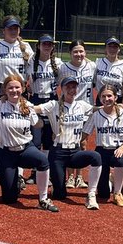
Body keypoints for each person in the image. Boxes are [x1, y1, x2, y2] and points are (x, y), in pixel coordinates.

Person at [34, 77, 103, 209]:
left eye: (74, 87)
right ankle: (57, 186)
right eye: (68, 87)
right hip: (57, 153)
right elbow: (35, 108)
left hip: (74, 152)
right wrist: (17, 102)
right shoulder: (53, 105)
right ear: (62, 89)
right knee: (60, 195)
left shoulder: (82, 105)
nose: (71, 90)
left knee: (96, 157)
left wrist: (117, 105)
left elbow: (97, 109)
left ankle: (91, 194)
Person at [0, 74, 53, 210]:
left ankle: (43, 198)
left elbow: (36, 123)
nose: (14, 90)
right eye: (10, 88)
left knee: (42, 160)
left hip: (25, 149)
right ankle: (16, 181)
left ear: (23, 89)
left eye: (17, 87)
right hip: (6, 152)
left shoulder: (28, 105)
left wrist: (52, 122)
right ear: (5, 90)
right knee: (9, 199)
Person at [85, 84, 123, 207]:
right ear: (99, 98)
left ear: (115, 97)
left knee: (119, 161)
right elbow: (85, 133)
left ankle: (118, 193)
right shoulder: (96, 115)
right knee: (103, 194)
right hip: (101, 150)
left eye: (109, 96)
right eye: (103, 96)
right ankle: (108, 180)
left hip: (117, 149)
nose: (106, 99)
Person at [0, 17, 33, 100]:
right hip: (0, 90)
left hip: (20, 89)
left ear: (19, 30)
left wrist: (31, 83)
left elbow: (31, 68)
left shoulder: (25, 46)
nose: (13, 31)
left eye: (15, 28)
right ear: (4, 30)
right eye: (10, 29)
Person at [93, 37, 123, 105]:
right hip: (101, 100)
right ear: (105, 48)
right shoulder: (98, 62)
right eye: (110, 46)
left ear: (119, 49)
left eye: (115, 47)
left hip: (117, 100)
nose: (112, 49)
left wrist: (122, 107)